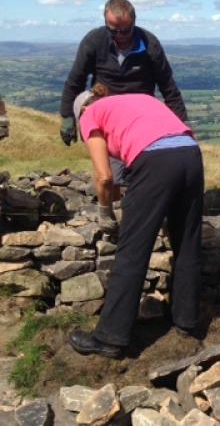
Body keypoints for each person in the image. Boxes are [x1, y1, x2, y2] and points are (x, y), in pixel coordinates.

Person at [68, 85, 203, 358]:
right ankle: (186, 322)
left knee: (132, 250)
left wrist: (106, 212)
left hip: (156, 160)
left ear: (81, 110)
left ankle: (110, 338)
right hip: (191, 154)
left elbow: (104, 176)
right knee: (187, 241)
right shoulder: (138, 99)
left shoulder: (89, 114)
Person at [59, 0, 188, 187]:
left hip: (141, 117)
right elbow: (75, 80)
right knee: (113, 178)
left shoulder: (149, 43)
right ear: (105, 23)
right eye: (113, 30)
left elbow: (167, 85)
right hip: (107, 117)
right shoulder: (94, 41)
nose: (119, 35)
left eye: (125, 30)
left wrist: (181, 125)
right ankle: (119, 203)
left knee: (143, 168)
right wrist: (67, 116)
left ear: (134, 23)